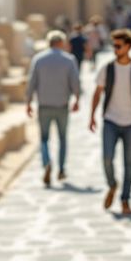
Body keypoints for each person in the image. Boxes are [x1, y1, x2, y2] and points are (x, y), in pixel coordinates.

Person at [88, 28, 131, 216]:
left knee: (129, 163)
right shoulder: (107, 68)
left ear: (128, 47)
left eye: (118, 46)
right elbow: (97, 92)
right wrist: (92, 115)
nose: (115, 49)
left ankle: (125, 199)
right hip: (110, 120)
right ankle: (112, 184)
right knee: (107, 158)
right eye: (113, 46)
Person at [25, 30, 82, 187]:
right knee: (62, 138)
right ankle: (61, 168)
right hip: (62, 105)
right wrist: (77, 98)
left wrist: (28, 101)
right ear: (61, 43)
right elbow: (75, 82)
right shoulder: (69, 60)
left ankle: (46, 163)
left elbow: (32, 82)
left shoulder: (38, 59)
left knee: (44, 138)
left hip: (44, 105)